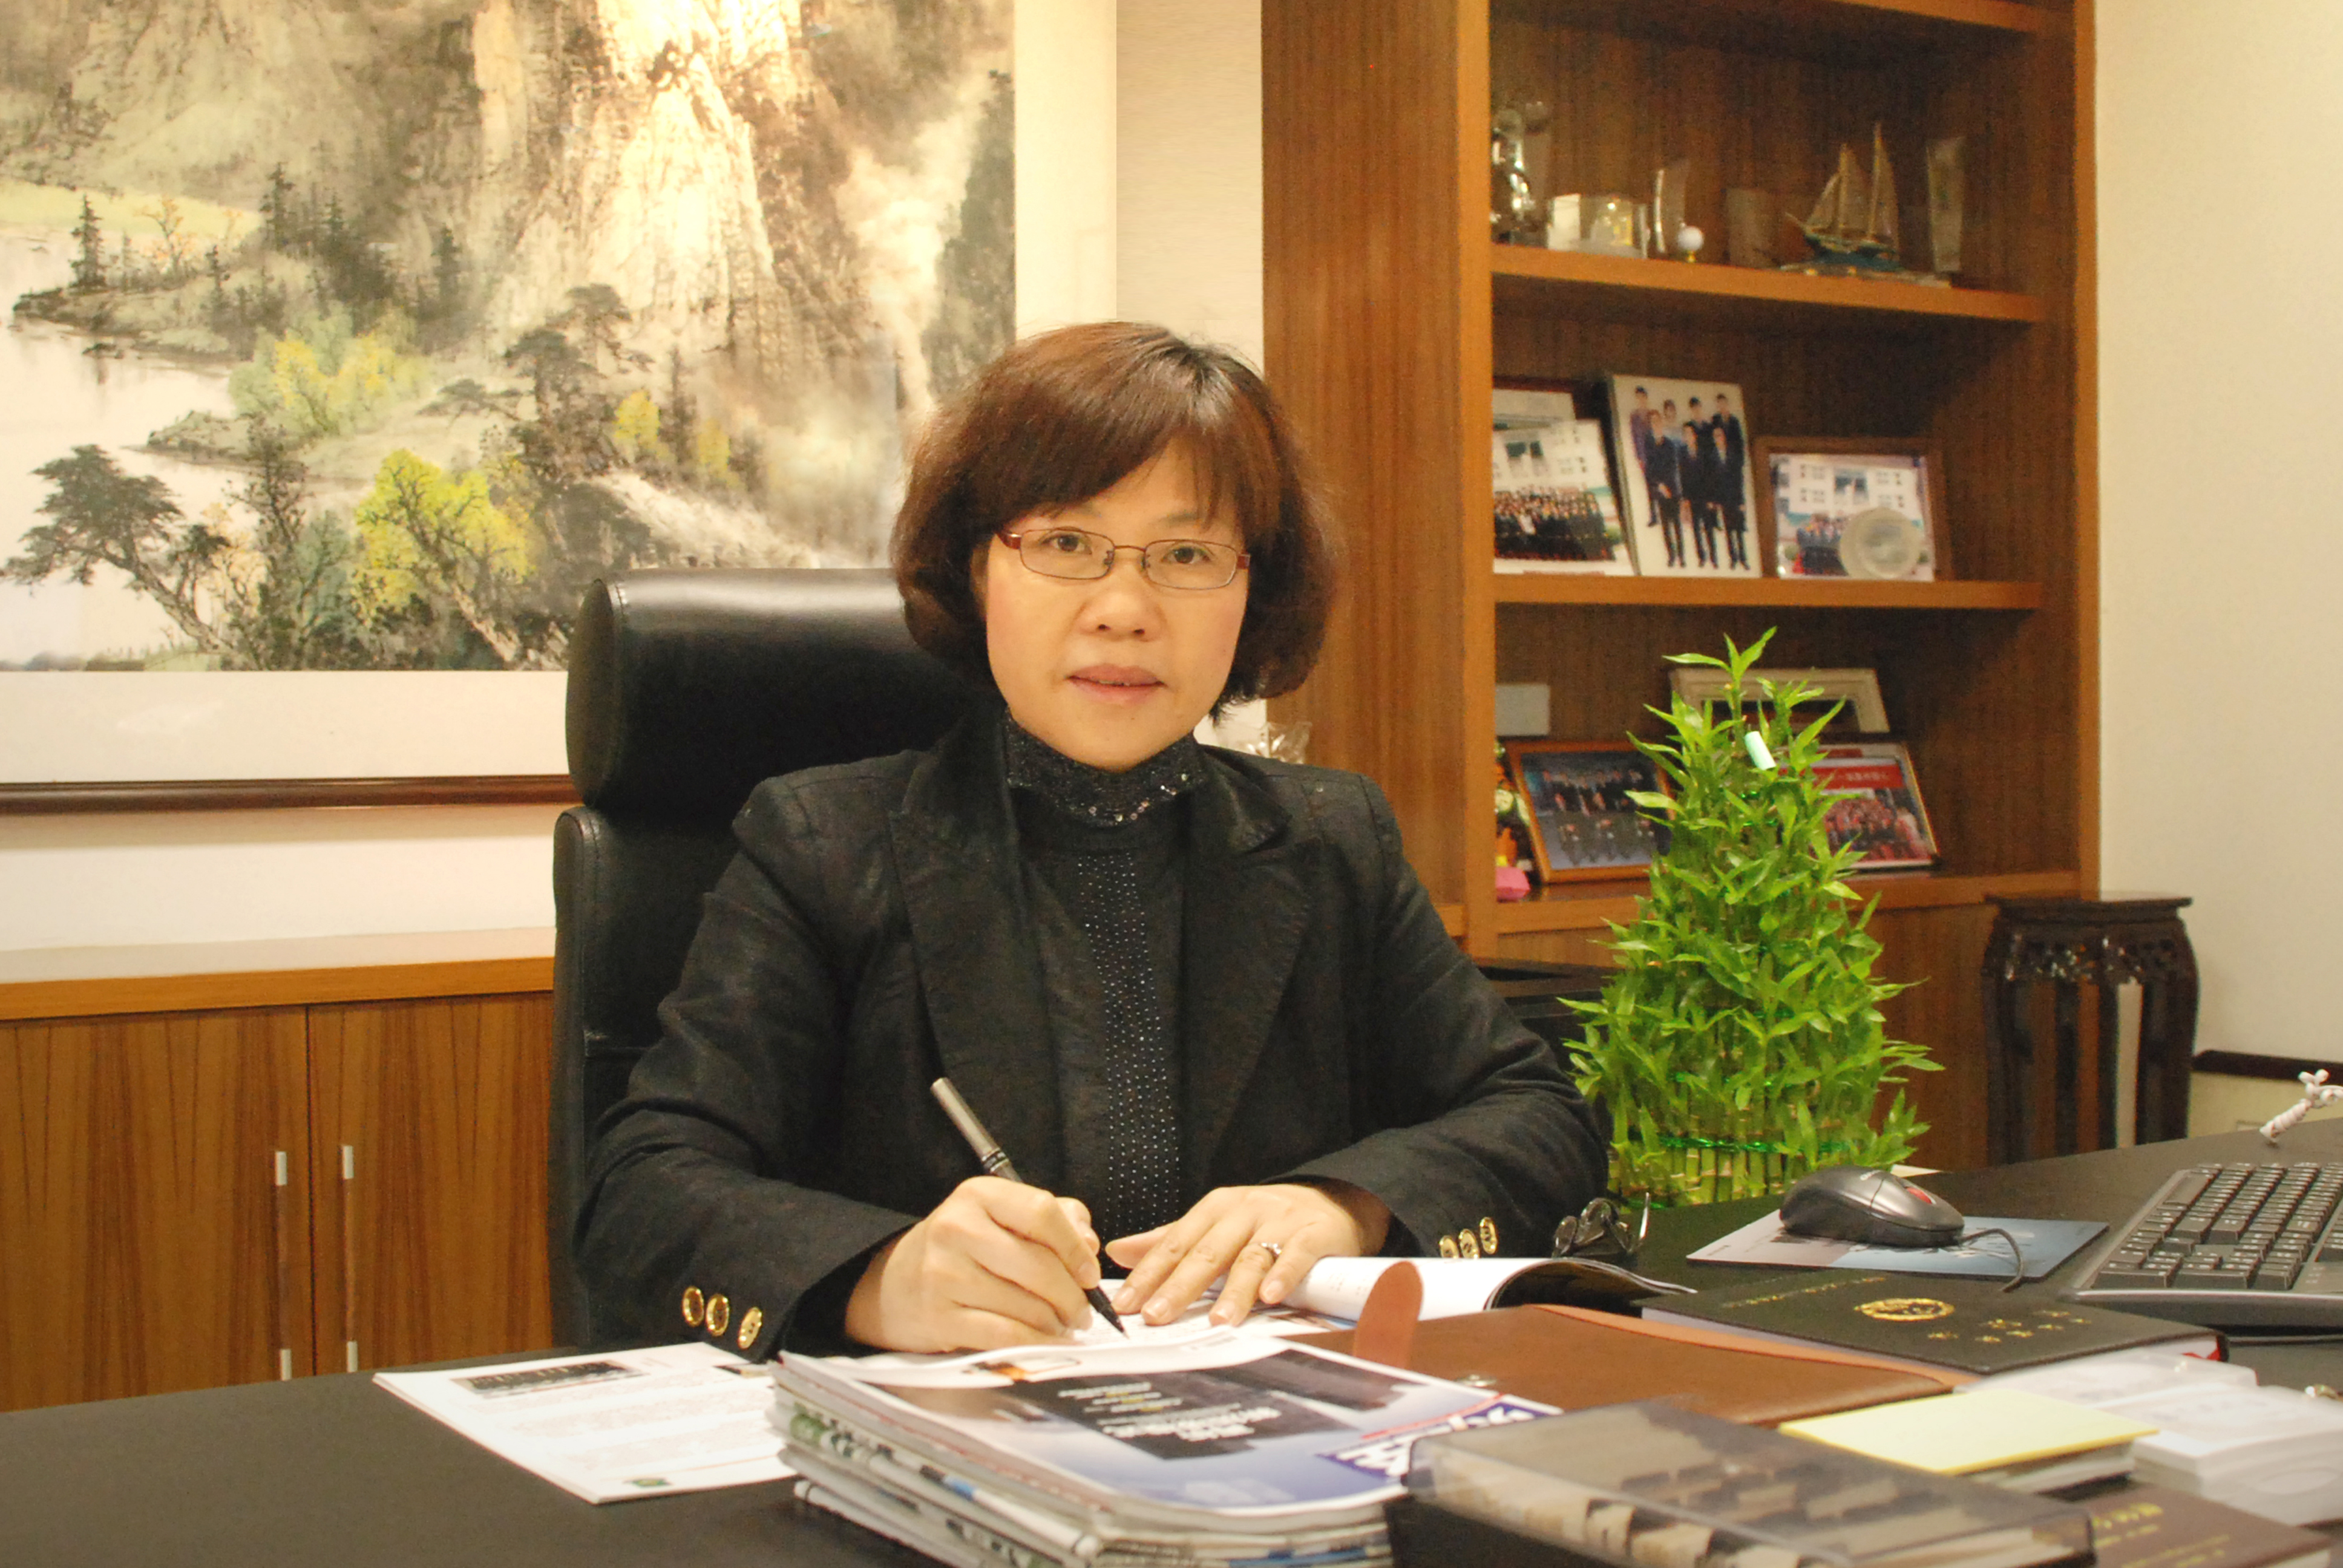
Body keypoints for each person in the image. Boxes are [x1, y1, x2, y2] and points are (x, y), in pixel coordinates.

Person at [577, 322, 1608, 1359]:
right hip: (948, 1426)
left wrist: (1347, 1205)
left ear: (1253, 590)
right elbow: (643, 1188)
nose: (1124, 610)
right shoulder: (824, 846)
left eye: (1187, 555)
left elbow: (1539, 1117)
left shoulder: (1331, 840)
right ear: (977, 569)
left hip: (1265, 1419)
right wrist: (880, 1278)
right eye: (1066, 544)